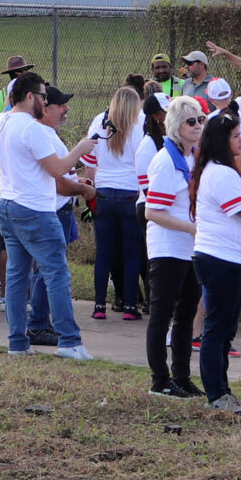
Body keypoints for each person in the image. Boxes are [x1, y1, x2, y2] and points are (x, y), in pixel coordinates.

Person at [0, 73, 94, 360]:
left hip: (9, 206)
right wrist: (80, 149)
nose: (45, 101)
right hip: (36, 209)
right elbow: (58, 168)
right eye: (43, 96)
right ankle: (70, 341)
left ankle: (17, 342)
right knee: (56, 273)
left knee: (17, 275)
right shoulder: (30, 128)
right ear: (29, 97)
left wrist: (5, 193)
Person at [189, 108, 241, 414]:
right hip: (220, 259)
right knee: (218, 328)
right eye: (236, 136)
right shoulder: (221, 174)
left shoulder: (222, 169)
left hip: (229, 259)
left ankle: (222, 390)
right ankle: (216, 394)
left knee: (224, 328)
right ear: (222, 141)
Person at [139, 99, 205, 397]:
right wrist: (192, 228)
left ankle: (181, 376)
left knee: (187, 316)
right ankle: (159, 380)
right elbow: (152, 212)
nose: (198, 126)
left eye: (201, 120)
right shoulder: (165, 161)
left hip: (190, 249)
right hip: (167, 249)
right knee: (161, 315)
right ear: (176, 126)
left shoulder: (194, 157)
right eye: (192, 121)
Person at [83, 86, 146, 321]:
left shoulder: (100, 122)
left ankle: (99, 305)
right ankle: (130, 305)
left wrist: (94, 185)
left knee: (104, 252)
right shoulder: (140, 127)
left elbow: (89, 161)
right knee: (132, 252)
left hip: (105, 191)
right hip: (131, 193)